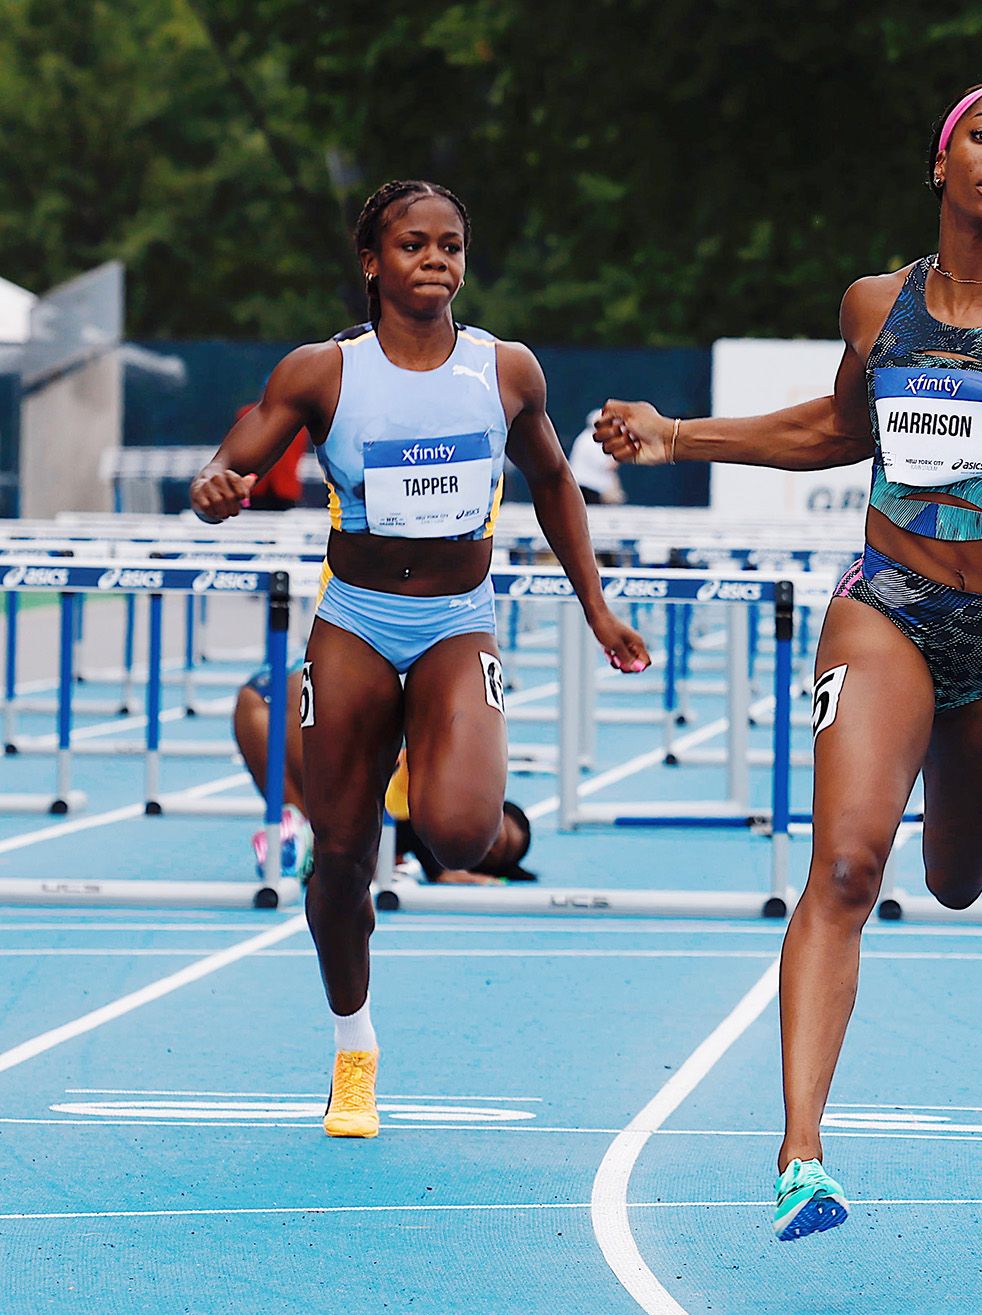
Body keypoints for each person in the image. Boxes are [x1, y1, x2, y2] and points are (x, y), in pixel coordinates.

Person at [597, 81, 982, 1241]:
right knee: (849, 870)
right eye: (980, 135)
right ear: (939, 162)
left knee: (956, 877)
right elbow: (835, 430)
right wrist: (678, 437)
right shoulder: (876, 305)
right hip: (887, 606)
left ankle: (970, 791)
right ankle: (799, 1153)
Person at [192, 179, 647, 1140]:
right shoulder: (325, 371)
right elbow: (235, 456)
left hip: (455, 622)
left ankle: (442, 749)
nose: (436, 260)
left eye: (450, 245)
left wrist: (597, 607)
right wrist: (217, 486)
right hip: (354, 622)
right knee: (345, 857)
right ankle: (353, 1049)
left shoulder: (506, 369)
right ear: (372, 262)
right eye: (413, 244)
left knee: (456, 833)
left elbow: (555, 481)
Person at [234, 664, 535, 884]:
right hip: (308, 685)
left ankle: (294, 835)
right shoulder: (449, 793)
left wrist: (448, 874)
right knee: (331, 822)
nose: (493, 842)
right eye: (500, 832)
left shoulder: (434, 845)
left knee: (319, 828)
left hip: (263, 705)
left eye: (497, 852)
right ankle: (297, 839)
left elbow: (440, 867)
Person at [568, 409, 625, 505]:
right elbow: (608, 466)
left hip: (582, 486)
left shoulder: (584, 438)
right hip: (589, 489)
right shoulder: (594, 441)